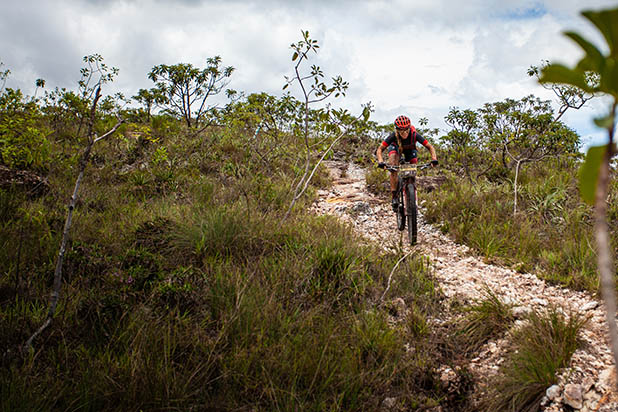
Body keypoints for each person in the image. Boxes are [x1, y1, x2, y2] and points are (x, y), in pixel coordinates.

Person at [376, 115, 438, 211]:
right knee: (393, 167)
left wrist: (434, 159)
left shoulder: (414, 135)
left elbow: (430, 147)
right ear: (397, 130)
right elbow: (380, 149)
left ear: (409, 128)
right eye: (401, 131)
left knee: (413, 169)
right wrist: (381, 161)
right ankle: (394, 197)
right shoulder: (393, 136)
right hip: (395, 149)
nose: (404, 133)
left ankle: (412, 193)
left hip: (410, 150)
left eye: (406, 130)